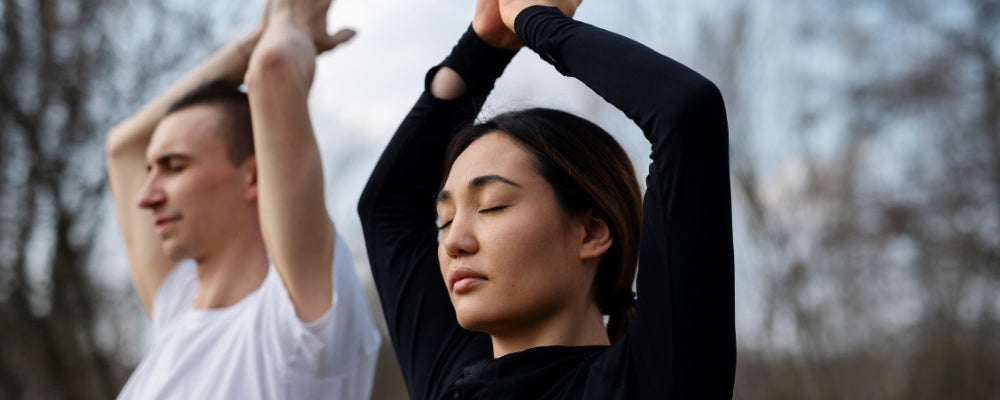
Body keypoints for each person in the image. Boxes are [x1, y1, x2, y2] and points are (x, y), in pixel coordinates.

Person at [358, 0, 736, 398]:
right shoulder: (457, 385)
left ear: (590, 233)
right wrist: (484, 43)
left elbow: (687, 114)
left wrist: (536, 21)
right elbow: (388, 208)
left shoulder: (650, 382)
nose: (453, 242)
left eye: (492, 206)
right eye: (446, 220)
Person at [105, 0, 379, 398]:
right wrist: (257, 37)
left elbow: (275, 68)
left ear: (253, 177)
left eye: (175, 166)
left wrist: (289, 19)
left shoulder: (298, 321)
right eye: (152, 171)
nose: (145, 198)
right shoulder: (178, 308)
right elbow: (123, 146)